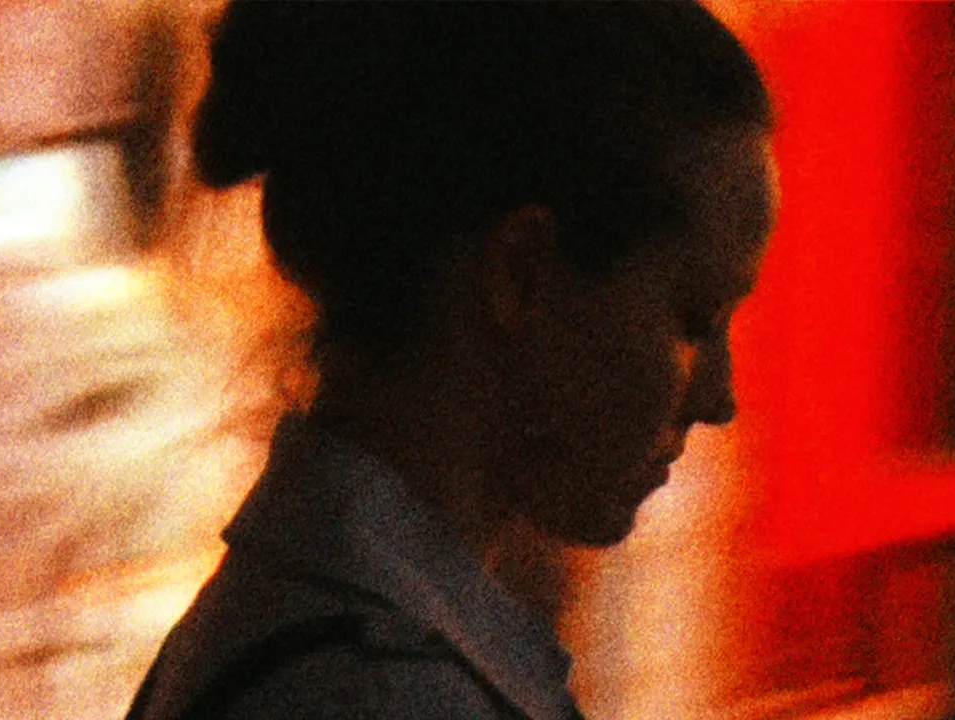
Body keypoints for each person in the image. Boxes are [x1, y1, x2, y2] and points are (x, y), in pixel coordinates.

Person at [127, 3, 778, 718]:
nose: (719, 398)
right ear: (523, 274)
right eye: (694, 319)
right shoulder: (382, 690)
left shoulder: (314, 626)